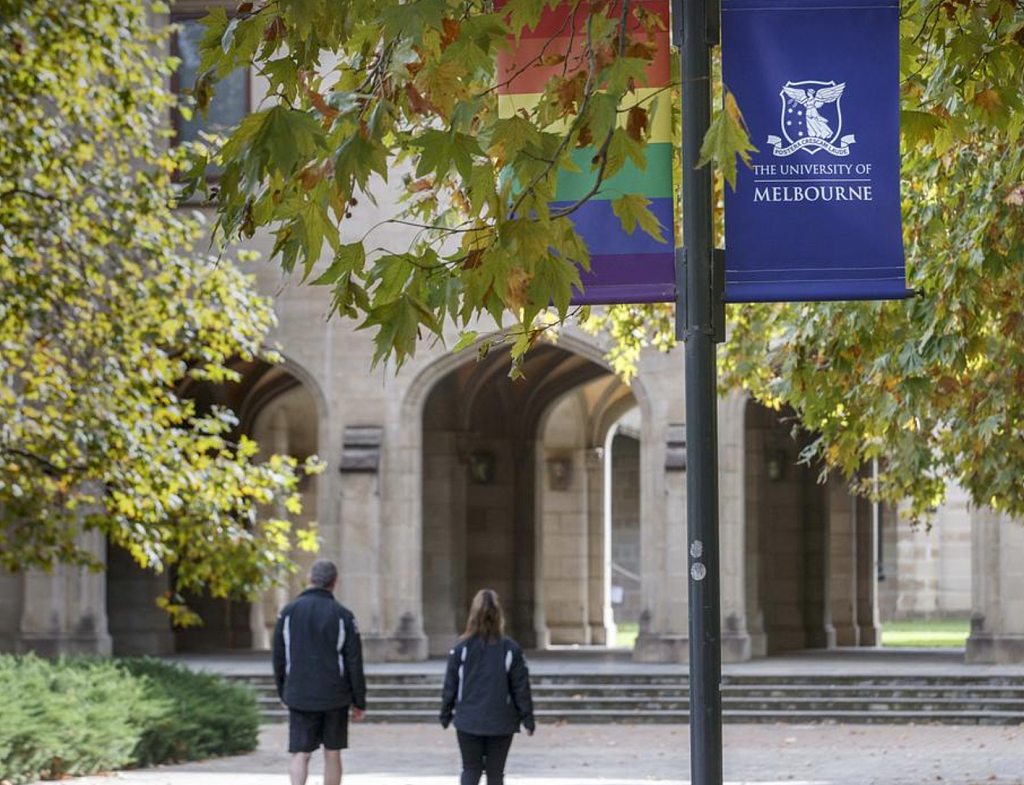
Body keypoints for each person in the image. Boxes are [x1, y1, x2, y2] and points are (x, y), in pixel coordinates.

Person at [273, 559, 366, 785]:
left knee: (300, 752)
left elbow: (279, 658)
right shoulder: (343, 615)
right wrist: (359, 700)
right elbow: (354, 662)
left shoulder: (288, 613)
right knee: (333, 752)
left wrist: (284, 692)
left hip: (300, 693)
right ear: (335, 583)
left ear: (309, 578)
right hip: (335, 695)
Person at [440, 589, 535, 785]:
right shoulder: (510, 649)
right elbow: (520, 687)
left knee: (470, 769)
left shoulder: (461, 648)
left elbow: (451, 684)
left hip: (468, 719)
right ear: (499, 615)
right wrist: (527, 718)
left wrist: (445, 713)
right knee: (495, 773)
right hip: (501, 719)